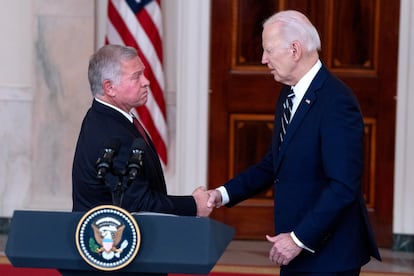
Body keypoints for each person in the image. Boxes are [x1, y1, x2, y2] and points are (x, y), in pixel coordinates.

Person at [207, 10, 381, 276]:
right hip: (296, 247)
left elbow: (343, 186)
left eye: (268, 50)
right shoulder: (289, 93)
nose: (264, 59)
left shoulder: (337, 102)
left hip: (328, 254)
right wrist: (221, 194)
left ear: (295, 50)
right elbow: (273, 164)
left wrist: (298, 239)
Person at [66, 44, 211, 276]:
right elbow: (138, 203)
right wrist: (194, 205)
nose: (147, 81)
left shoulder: (105, 116)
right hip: (117, 258)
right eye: (137, 76)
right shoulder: (112, 133)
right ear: (109, 87)